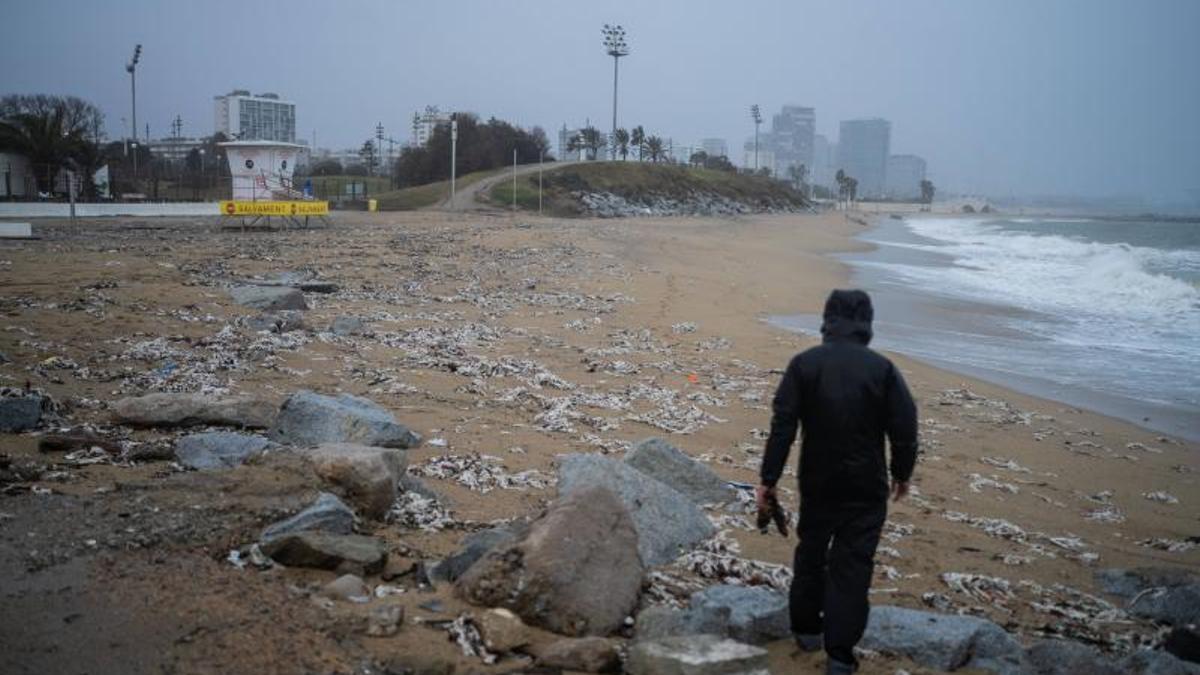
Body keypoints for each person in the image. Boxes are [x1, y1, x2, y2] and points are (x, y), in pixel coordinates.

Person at [758, 289, 918, 675]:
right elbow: (905, 427)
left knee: (811, 551)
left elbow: (783, 426)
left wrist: (769, 479)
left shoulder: (804, 365)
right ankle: (840, 655)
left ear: (828, 320)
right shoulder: (882, 370)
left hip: (817, 480)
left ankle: (806, 630)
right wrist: (902, 472)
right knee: (852, 565)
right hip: (866, 485)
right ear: (867, 322)